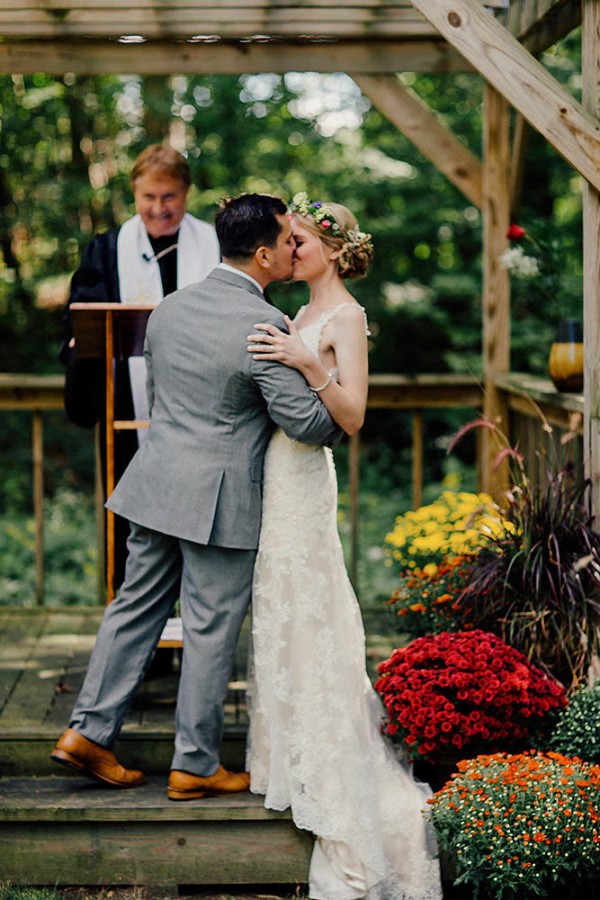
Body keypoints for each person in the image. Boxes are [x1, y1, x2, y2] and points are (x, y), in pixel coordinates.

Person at [51, 193, 342, 799]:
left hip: (155, 482)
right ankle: (196, 764)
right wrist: (324, 383)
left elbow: (166, 398)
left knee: (134, 608)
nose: (294, 248)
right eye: (288, 240)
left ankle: (87, 733)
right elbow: (308, 425)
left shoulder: (170, 309)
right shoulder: (264, 328)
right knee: (210, 628)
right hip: (220, 500)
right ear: (263, 256)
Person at [246, 193, 443, 900]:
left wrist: (307, 362)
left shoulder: (346, 317)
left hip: (307, 479)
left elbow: (354, 414)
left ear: (330, 248)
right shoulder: (293, 310)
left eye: (297, 239)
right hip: (273, 473)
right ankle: (284, 755)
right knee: (280, 607)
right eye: (286, 239)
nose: (288, 248)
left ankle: (331, 769)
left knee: (312, 605)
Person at [59, 143, 220, 589]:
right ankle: (142, 650)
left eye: (168, 197)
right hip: (127, 415)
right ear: (135, 195)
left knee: (196, 530)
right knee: (132, 530)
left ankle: (190, 642)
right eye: (148, 198)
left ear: (186, 193)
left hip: (204, 421)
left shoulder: (217, 246)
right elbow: (83, 318)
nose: (158, 209)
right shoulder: (107, 250)